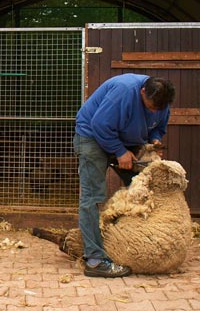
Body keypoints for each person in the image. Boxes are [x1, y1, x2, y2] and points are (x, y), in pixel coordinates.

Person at [73, 73, 175, 277]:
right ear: (143, 91)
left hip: (125, 139)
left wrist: (154, 140)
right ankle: (94, 260)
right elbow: (100, 125)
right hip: (93, 136)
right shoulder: (123, 91)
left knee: (142, 188)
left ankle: (132, 242)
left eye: (158, 108)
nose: (154, 110)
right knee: (92, 196)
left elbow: (158, 126)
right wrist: (119, 151)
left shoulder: (160, 100)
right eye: (150, 106)